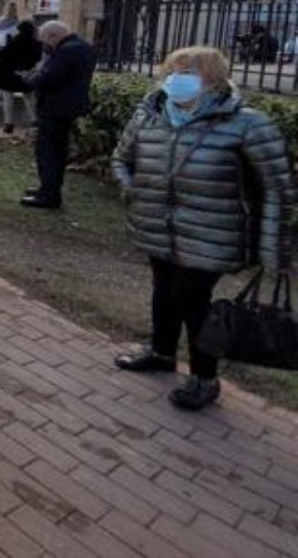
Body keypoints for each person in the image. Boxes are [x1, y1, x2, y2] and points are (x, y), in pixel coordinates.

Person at [110, 46, 294, 411]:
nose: (178, 78)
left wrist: (273, 250)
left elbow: (277, 189)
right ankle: (162, 352)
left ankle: (204, 378)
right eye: (174, 70)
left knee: (190, 300)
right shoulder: (150, 115)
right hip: (157, 226)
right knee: (163, 290)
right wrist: (132, 189)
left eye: (189, 71)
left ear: (214, 78)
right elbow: (122, 158)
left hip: (214, 233)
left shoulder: (247, 123)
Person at [18, 21, 97, 209]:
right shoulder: (83, 47)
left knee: (48, 151)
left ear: (54, 36)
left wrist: (27, 78)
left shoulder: (67, 51)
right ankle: (48, 188)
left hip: (56, 108)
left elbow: (48, 76)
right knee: (57, 150)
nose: (45, 46)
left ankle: (49, 196)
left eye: (46, 41)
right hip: (67, 107)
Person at [0, 19, 41, 134]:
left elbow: (2, 54)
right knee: (29, 98)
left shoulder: (14, 41)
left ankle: (8, 125)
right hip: (26, 74)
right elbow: (37, 59)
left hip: (9, 74)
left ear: (19, 30)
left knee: (7, 99)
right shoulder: (37, 44)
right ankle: (35, 121)